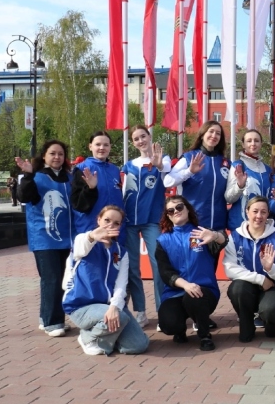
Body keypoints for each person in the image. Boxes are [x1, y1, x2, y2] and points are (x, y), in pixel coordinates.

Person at [61, 205, 149, 356]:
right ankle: (88, 338)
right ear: (99, 220)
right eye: (107, 220)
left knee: (138, 345)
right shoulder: (83, 240)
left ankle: (108, 334)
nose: (110, 225)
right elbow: (81, 246)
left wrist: (114, 307)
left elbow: (121, 285)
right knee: (121, 318)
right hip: (81, 306)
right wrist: (92, 236)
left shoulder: (121, 252)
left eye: (116, 223)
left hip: (109, 305)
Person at [16, 141, 73, 337]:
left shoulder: (70, 178)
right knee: (51, 279)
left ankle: (46, 317)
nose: (57, 157)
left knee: (63, 279)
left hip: (67, 237)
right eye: (52, 153)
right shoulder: (36, 177)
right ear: (44, 156)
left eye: (60, 154)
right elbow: (23, 197)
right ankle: (53, 322)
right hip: (44, 237)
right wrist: (27, 176)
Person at [154, 196, 226, 349]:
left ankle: (205, 336)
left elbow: (224, 241)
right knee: (168, 324)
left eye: (179, 207)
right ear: (168, 216)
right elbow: (165, 272)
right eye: (171, 210)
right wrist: (186, 285)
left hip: (204, 292)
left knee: (193, 296)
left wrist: (215, 236)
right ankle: (179, 330)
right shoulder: (163, 241)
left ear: (187, 209)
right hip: (175, 292)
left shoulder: (202, 233)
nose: (176, 211)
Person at [222, 196, 275, 342]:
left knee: (269, 310)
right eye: (255, 211)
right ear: (247, 212)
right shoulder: (235, 237)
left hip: (273, 285)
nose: (259, 216)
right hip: (248, 285)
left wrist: (270, 268)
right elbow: (229, 268)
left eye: (263, 212)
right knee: (237, 289)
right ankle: (247, 326)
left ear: (268, 214)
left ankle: (269, 321)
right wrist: (260, 279)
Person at [121, 125, 171, 327]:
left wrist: (158, 165)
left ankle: (163, 311)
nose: (141, 141)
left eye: (143, 136)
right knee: (132, 268)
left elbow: (167, 174)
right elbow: (123, 191)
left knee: (158, 265)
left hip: (152, 220)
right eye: (136, 139)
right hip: (130, 221)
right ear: (133, 143)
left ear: (150, 137)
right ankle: (140, 311)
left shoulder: (163, 159)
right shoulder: (128, 166)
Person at [164, 121, 230, 232]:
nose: (214, 135)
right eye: (211, 131)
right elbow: (168, 181)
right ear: (202, 135)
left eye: (218, 133)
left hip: (218, 226)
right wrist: (189, 171)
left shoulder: (225, 163)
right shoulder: (189, 157)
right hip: (193, 224)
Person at [71, 131, 123, 236]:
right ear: (90, 146)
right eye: (98, 144)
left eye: (106, 145)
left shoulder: (115, 170)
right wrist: (90, 188)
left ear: (110, 147)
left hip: (114, 230)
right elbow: (78, 204)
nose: (102, 148)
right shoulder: (82, 169)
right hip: (90, 228)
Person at [226, 129, 273, 231]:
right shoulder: (237, 166)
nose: (253, 143)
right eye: (249, 141)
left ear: (261, 144)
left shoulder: (267, 169)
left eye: (256, 140)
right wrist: (240, 186)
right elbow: (229, 198)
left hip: (260, 226)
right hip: (240, 226)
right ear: (243, 144)